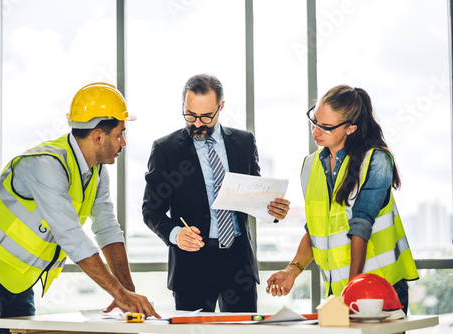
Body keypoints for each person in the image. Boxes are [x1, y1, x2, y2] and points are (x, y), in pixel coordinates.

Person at [0, 82, 159, 334]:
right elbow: (72, 238)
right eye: (119, 134)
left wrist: (128, 293)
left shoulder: (96, 172)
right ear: (98, 137)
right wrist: (119, 292)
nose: (123, 142)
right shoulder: (46, 164)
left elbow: (107, 228)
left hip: (19, 280)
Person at [142, 73, 290, 312]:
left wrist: (274, 210)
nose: (198, 123)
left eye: (206, 116)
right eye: (190, 115)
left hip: (238, 261)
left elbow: (256, 195)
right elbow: (151, 210)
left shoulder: (244, 142)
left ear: (221, 107)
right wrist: (175, 234)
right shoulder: (165, 149)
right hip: (192, 264)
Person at [266, 85, 419, 313]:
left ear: (351, 128)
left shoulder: (375, 161)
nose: (315, 131)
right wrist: (292, 271)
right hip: (339, 291)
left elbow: (361, 225)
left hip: (380, 289)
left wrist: (352, 290)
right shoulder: (310, 165)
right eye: (314, 120)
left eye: (326, 127)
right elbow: (316, 231)